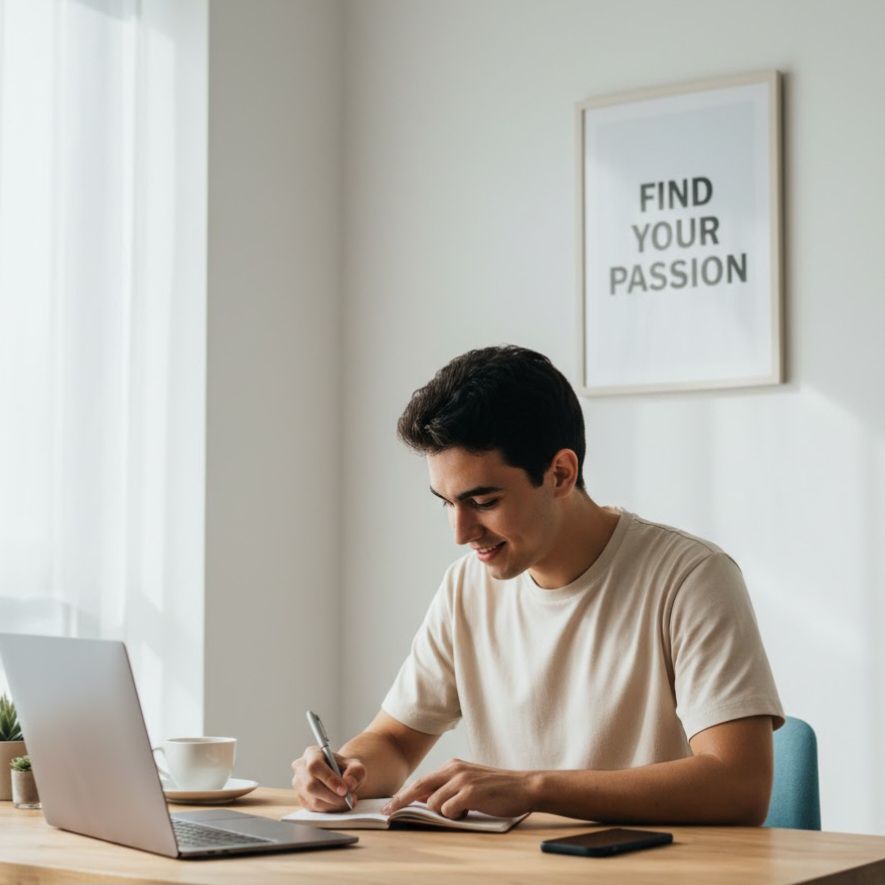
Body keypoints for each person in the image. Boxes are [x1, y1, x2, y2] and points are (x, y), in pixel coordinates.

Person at [291, 345, 784, 825]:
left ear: (560, 473)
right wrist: (346, 771)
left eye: (483, 501)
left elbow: (738, 784)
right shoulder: (467, 587)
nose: (460, 532)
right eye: (446, 502)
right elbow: (396, 743)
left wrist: (533, 789)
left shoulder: (689, 577)